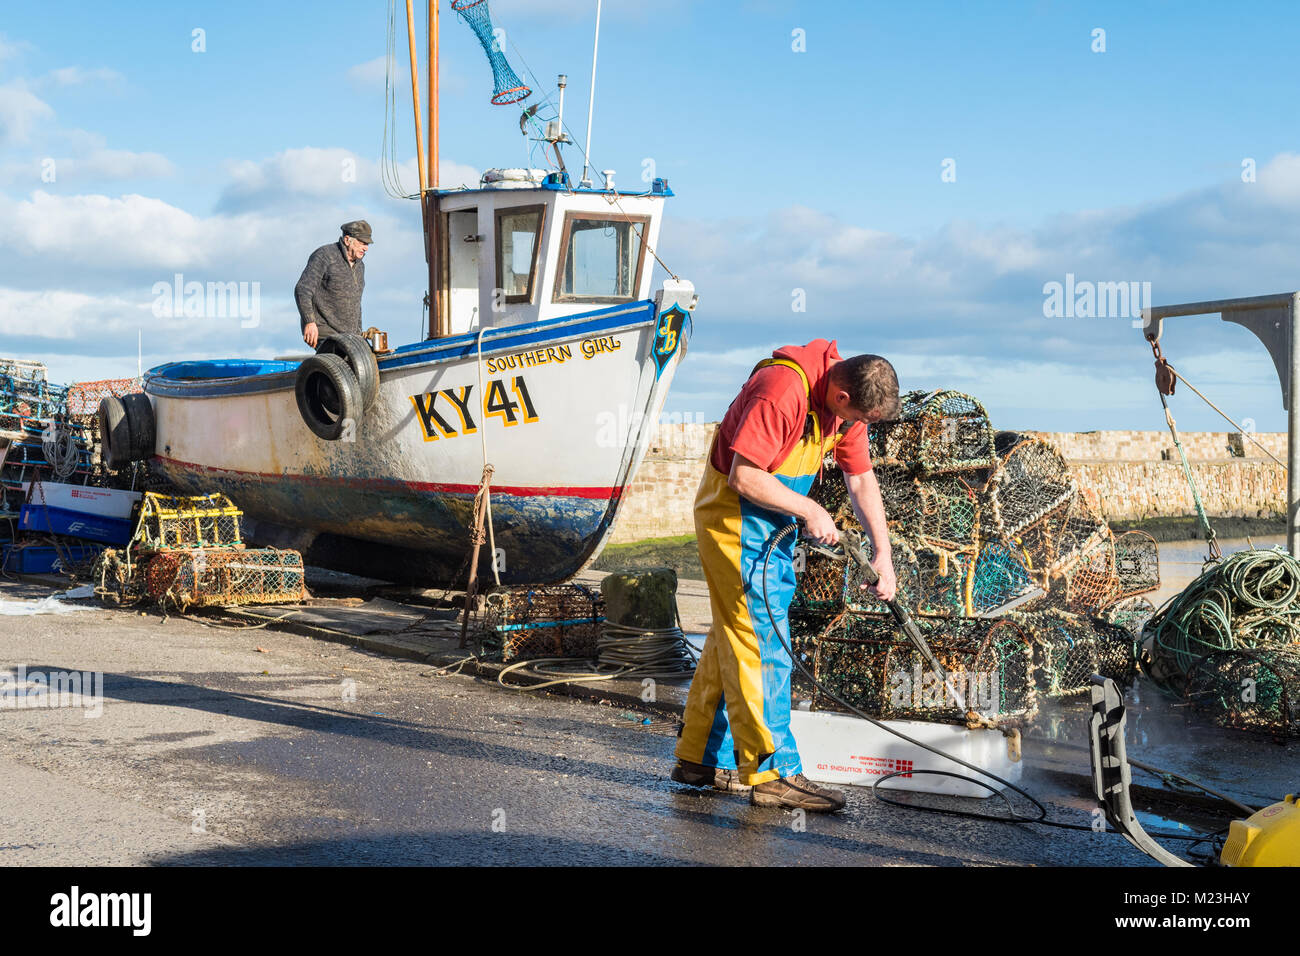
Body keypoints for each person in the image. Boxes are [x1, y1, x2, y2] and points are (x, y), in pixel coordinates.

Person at [670, 340, 901, 812]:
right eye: (861, 419)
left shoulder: (845, 403)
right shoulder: (781, 390)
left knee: (732, 639)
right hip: (734, 518)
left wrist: (884, 553)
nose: (860, 428)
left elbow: (859, 478)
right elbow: (744, 477)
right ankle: (772, 772)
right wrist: (808, 507)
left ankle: (696, 757)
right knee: (763, 641)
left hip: (772, 523)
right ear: (841, 397)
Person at [296, 220, 373, 349]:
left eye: (367, 244)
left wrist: (359, 333)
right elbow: (303, 289)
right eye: (362, 243)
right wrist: (310, 322)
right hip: (324, 328)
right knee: (342, 358)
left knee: (371, 356)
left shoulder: (360, 266)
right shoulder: (325, 256)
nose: (366, 248)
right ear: (348, 240)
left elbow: (356, 303)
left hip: (350, 335)